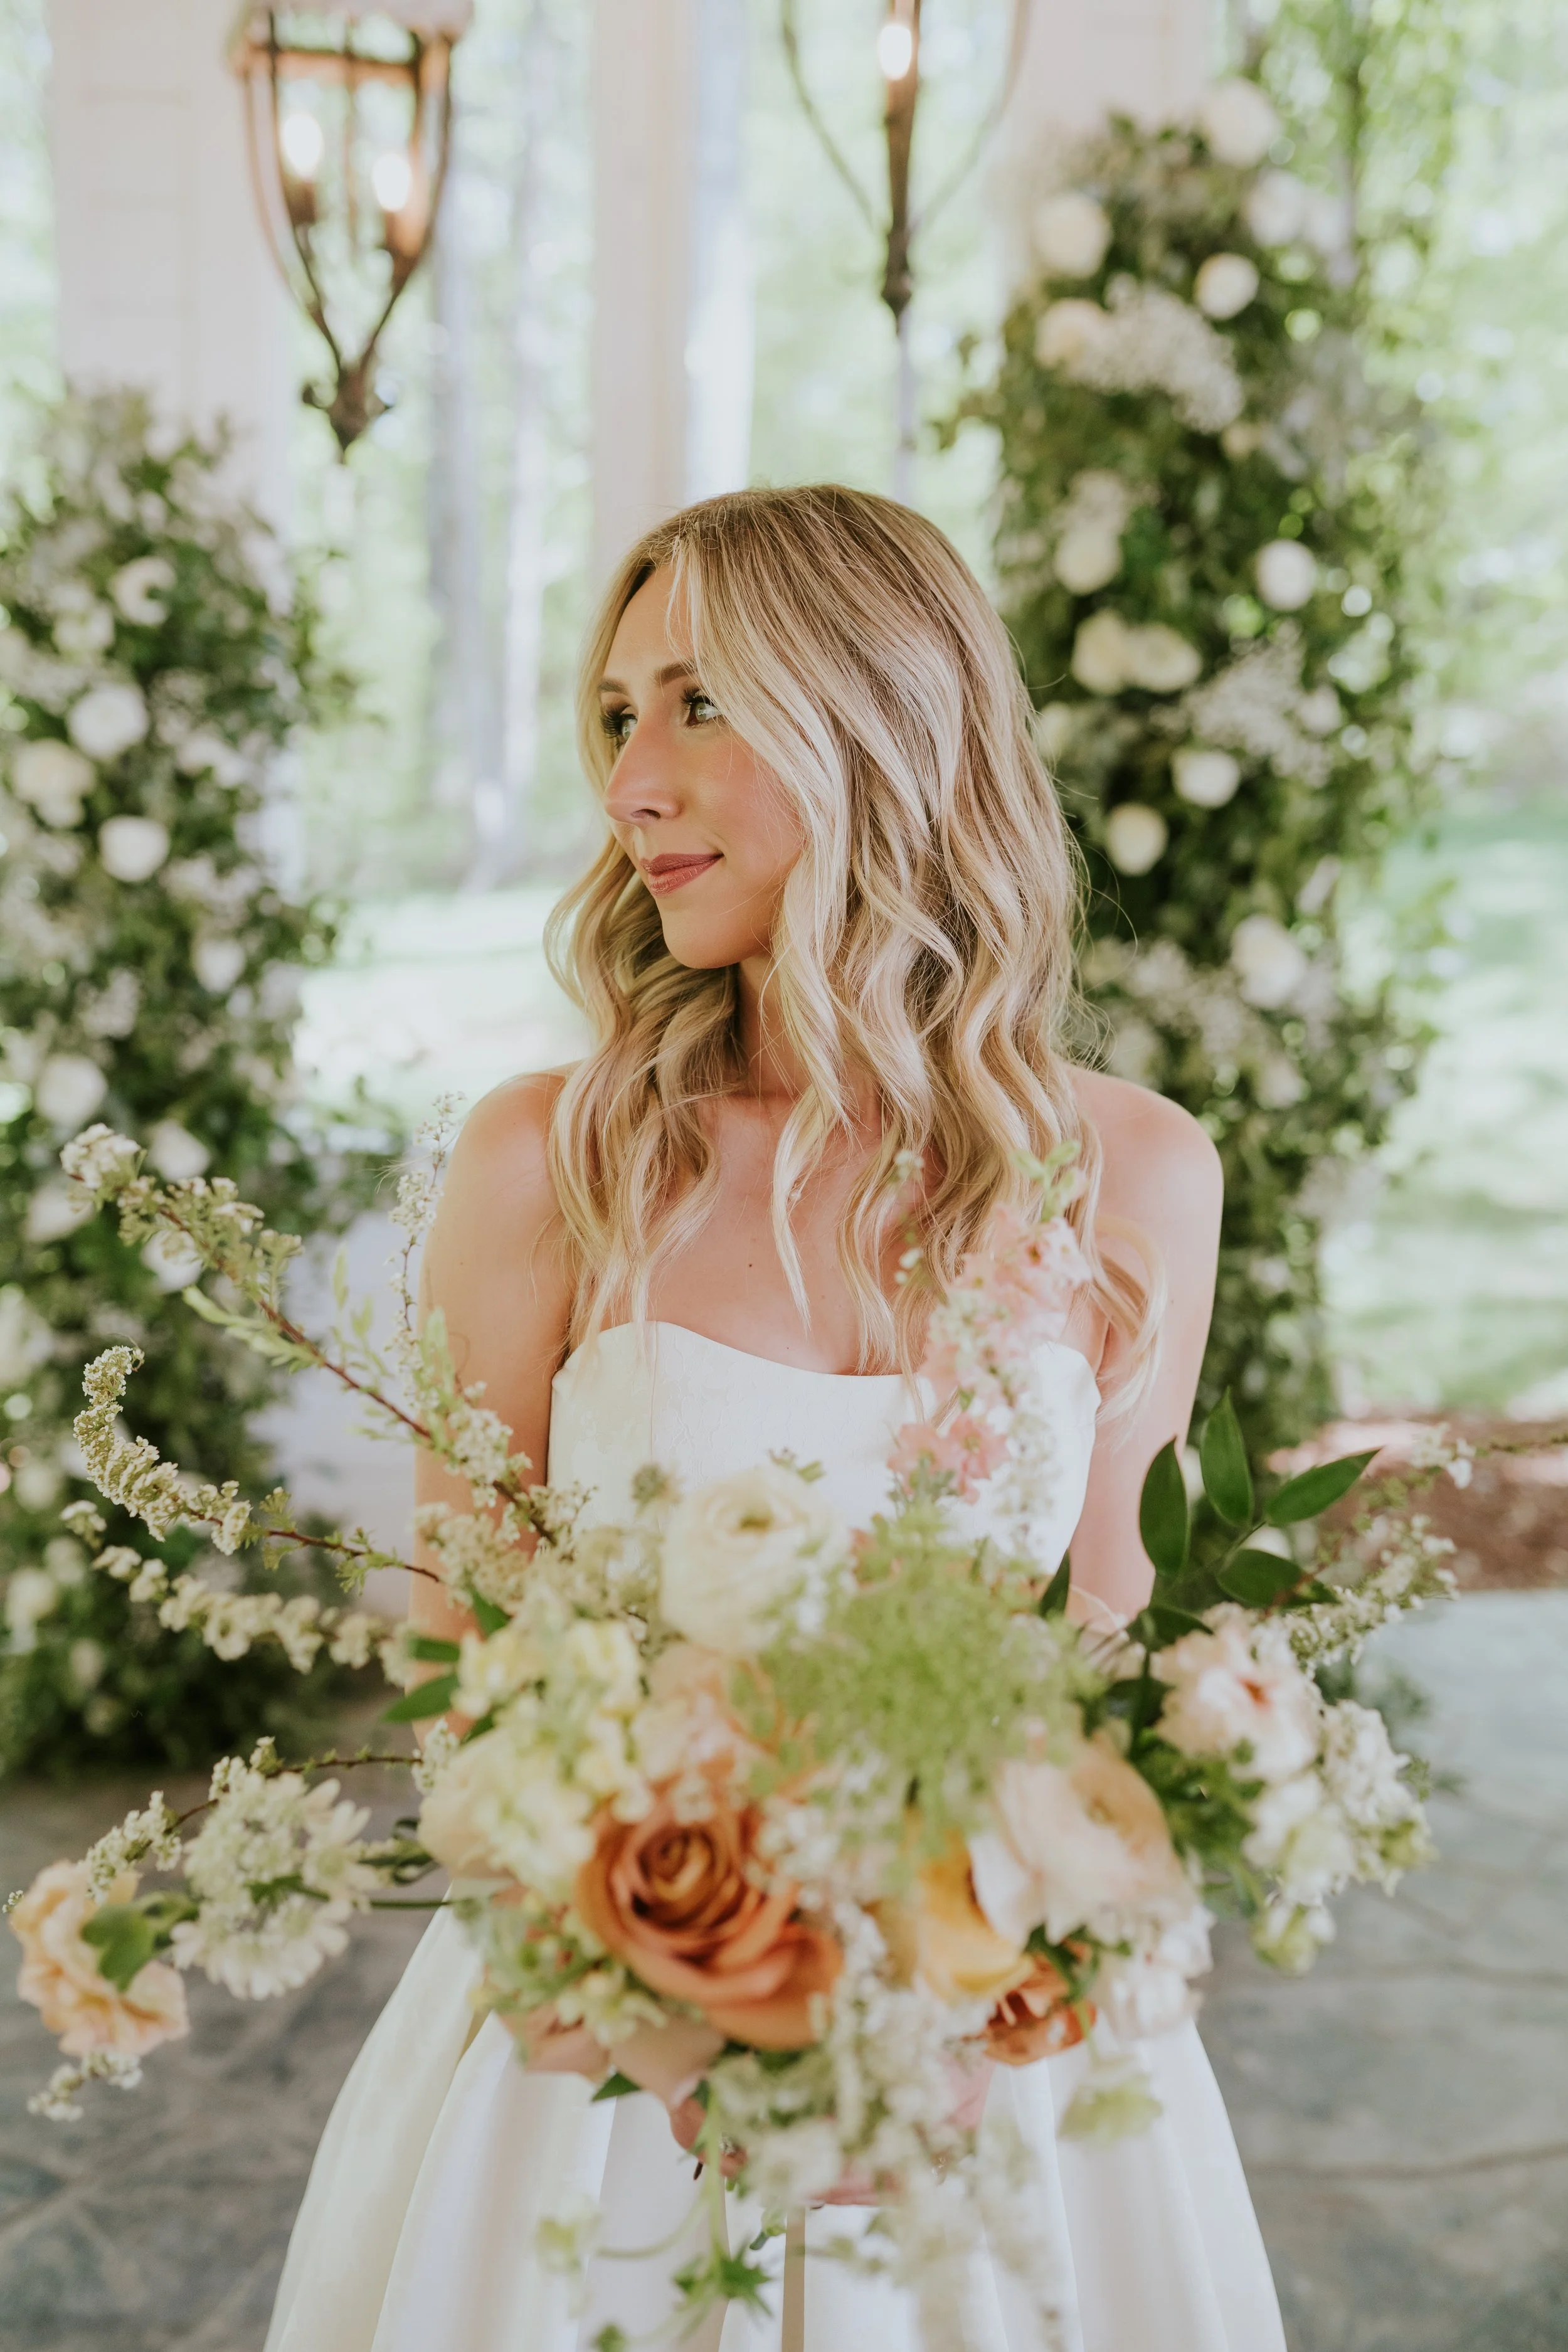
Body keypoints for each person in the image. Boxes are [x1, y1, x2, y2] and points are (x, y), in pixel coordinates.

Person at [265, 486, 1286, 2352]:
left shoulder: (1134, 1171)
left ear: (882, 717)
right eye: (614, 715)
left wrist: (991, 1975)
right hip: (597, 2053)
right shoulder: (548, 1161)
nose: (630, 783)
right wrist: (682, 2026)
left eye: (699, 707)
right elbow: (465, 1664)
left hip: (993, 2054)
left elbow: (1104, 1647)